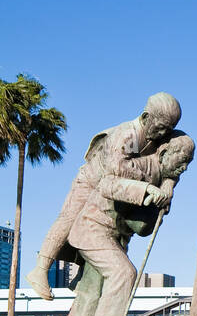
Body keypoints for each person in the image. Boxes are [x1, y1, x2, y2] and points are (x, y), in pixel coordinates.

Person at [26, 92, 182, 300]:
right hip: (92, 181)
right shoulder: (130, 135)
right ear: (146, 117)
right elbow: (119, 169)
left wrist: (168, 184)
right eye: (160, 126)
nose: (163, 133)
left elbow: (173, 162)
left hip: (115, 194)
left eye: (168, 130)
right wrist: (148, 184)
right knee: (70, 218)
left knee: (112, 235)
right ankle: (40, 269)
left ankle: (81, 275)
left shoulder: (158, 139)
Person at [57, 130, 195, 316]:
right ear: (165, 152)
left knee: (90, 294)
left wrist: (158, 205)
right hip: (93, 228)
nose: (184, 167)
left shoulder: (163, 179)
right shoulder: (141, 165)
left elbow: (140, 227)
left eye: (188, 163)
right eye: (183, 160)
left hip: (112, 238)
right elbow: (107, 184)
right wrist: (145, 190)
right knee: (123, 272)